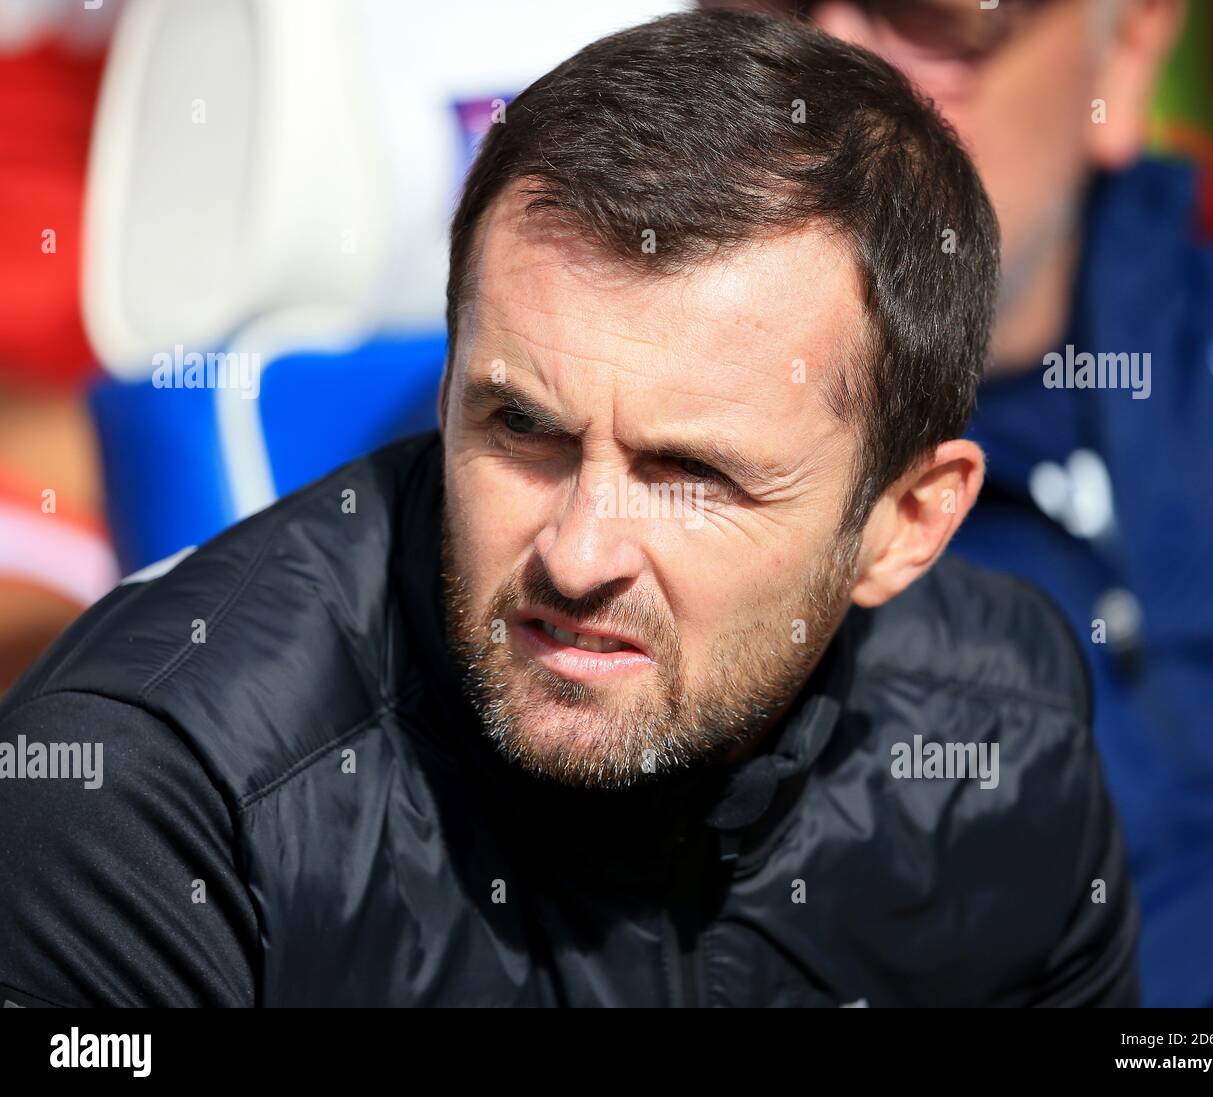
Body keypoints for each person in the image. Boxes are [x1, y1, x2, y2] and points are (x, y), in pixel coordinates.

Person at [0, 10, 1138, 1007]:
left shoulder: (1004, 733)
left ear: (907, 521)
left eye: (691, 471)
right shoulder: (141, 809)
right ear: (447, 392)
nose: (580, 552)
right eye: (521, 429)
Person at [729, 0, 1213, 1006]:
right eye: (764, 9)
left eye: (933, 14)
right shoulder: (577, 474)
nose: (832, 62)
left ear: (1120, 56)